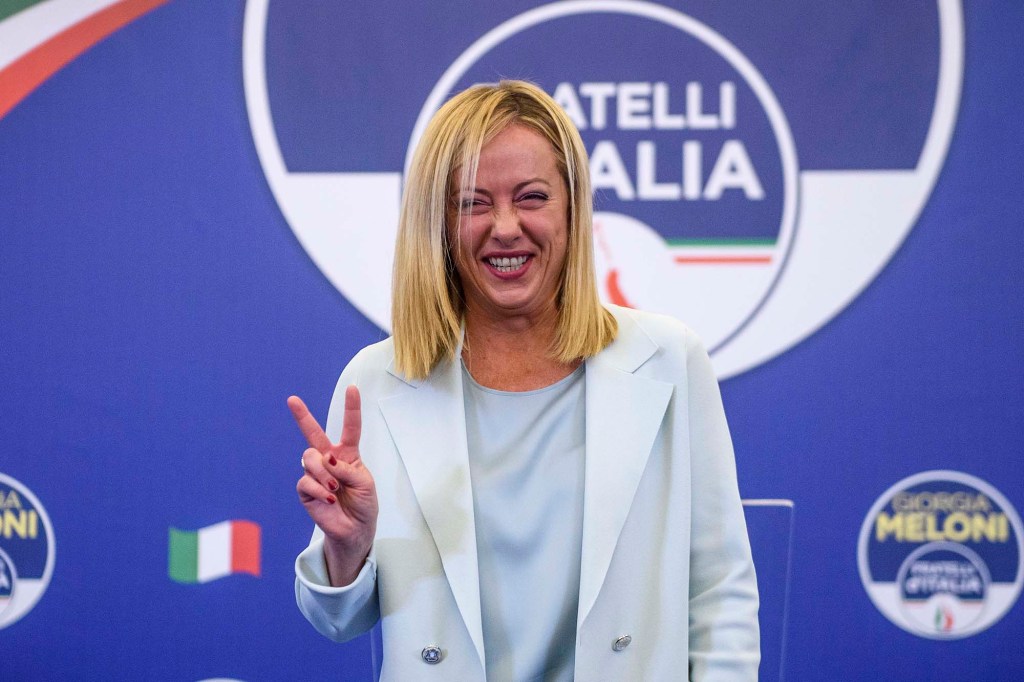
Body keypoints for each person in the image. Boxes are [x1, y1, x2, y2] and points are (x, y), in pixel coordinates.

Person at [289, 80, 759, 681]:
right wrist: (348, 547)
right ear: (437, 223)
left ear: (572, 207)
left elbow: (720, 591)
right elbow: (337, 621)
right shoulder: (377, 382)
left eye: (532, 197)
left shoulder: (668, 358)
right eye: (473, 203)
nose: (505, 227)